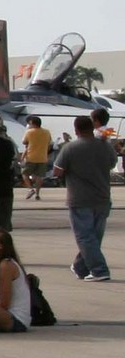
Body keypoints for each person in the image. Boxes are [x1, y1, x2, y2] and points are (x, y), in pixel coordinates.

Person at [49, 114, 112, 281]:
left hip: (80, 198)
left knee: (85, 236)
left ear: (76, 130)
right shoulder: (105, 146)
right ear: (92, 128)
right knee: (95, 237)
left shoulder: (70, 148)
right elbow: (112, 163)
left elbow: (57, 171)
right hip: (103, 196)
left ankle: (100, 270)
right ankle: (80, 266)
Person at [21, 115, 52, 201]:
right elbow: (49, 142)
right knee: (40, 176)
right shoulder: (47, 132)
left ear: (32, 123)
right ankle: (37, 194)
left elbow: (24, 142)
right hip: (42, 157)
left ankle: (30, 189)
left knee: (24, 173)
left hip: (31, 157)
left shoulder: (29, 132)